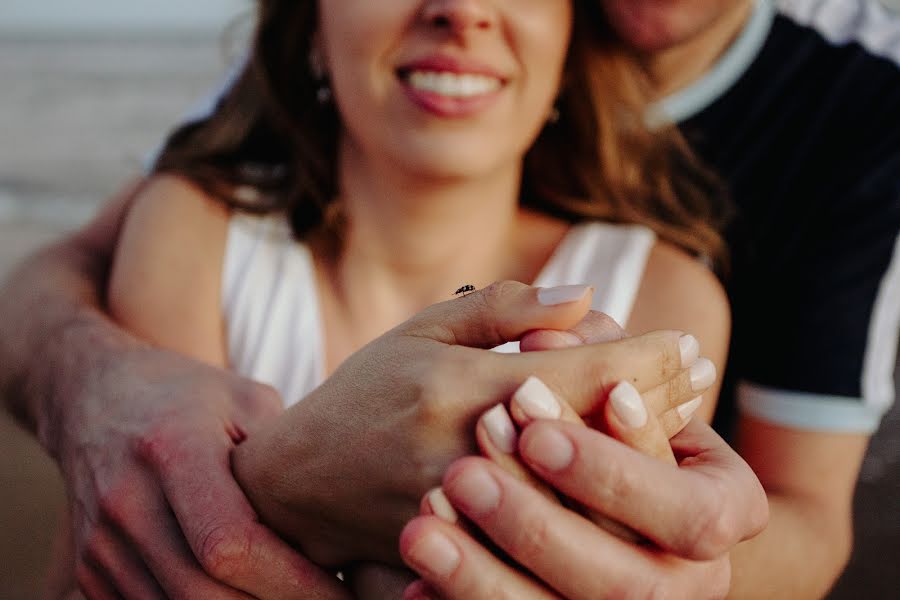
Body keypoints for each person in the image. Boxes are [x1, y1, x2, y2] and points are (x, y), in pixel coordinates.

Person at [1, 0, 893, 597]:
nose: (462, 10)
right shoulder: (194, 227)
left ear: (570, 49)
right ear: (309, 29)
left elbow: (805, 514)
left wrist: (699, 569)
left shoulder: (672, 282)